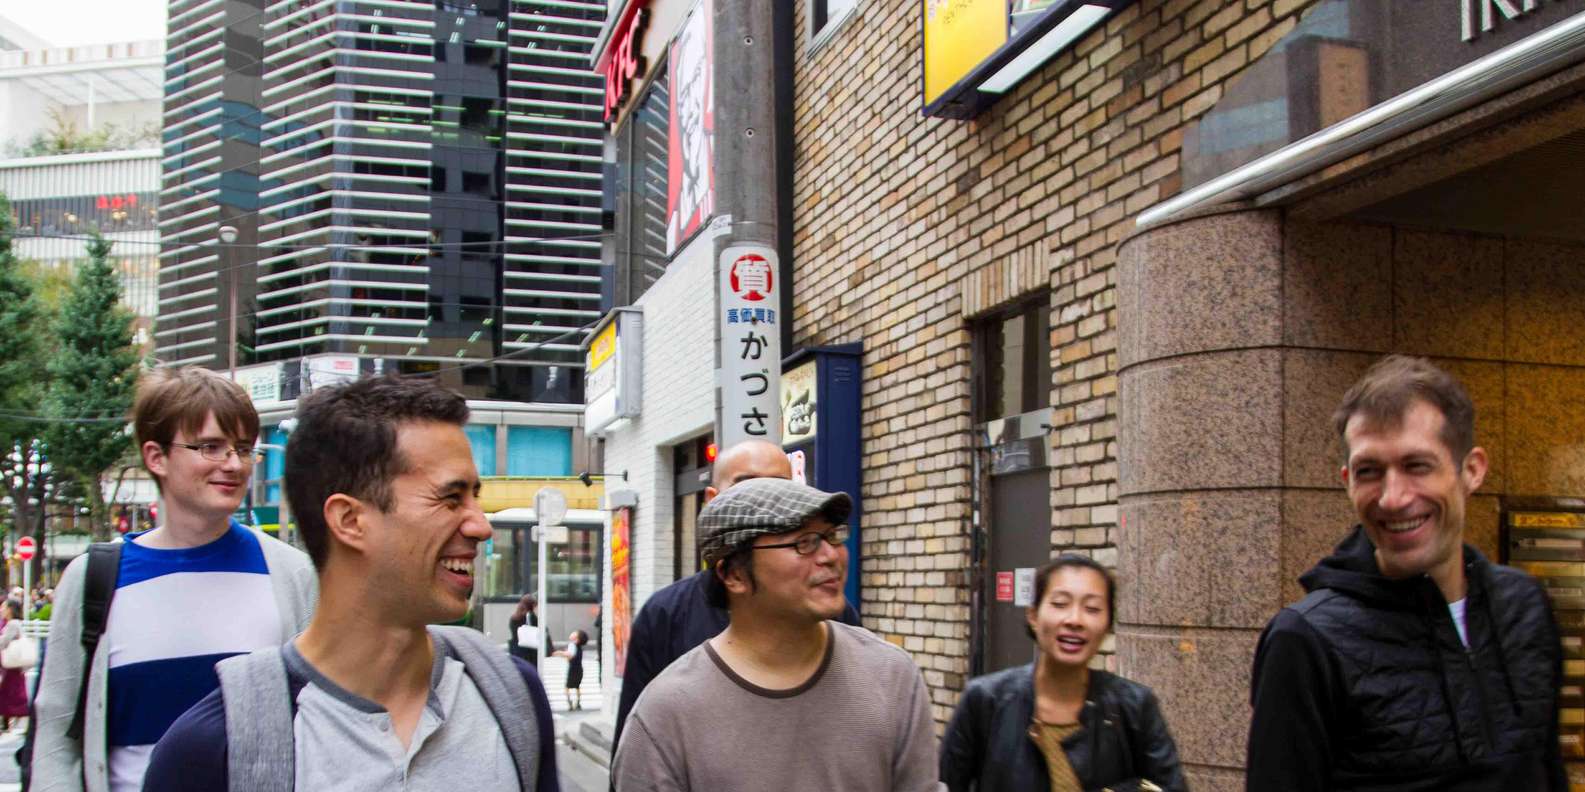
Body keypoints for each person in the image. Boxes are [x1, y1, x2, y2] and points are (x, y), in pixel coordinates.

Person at [143, 375, 558, 791]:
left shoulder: (512, 698)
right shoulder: (210, 752)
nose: (480, 525)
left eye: (475, 497)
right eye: (451, 498)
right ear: (349, 520)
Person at [1246, 355, 1565, 790]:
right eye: (1369, 472)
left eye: (1417, 466)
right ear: (1346, 481)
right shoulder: (1305, 641)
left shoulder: (1524, 607)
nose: (1393, 498)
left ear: (1471, 470)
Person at [31, 366, 317, 792]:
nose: (233, 464)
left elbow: (318, 719)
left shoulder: (291, 574)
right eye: (211, 447)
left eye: (243, 448)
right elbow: (56, 732)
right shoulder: (93, 578)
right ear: (156, 456)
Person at [612, 477, 939, 791]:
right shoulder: (666, 715)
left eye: (833, 536)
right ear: (734, 574)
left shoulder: (891, 676)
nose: (831, 556)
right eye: (804, 542)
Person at [611, 439, 862, 755]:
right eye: (748, 484)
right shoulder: (665, 615)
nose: (766, 497)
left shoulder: (840, 623)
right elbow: (635, 750)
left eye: (780, 485)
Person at [941, 556, 1186, 791]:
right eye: (1060, 604)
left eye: (1092, 608)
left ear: (1109, 624)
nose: (1075, 620)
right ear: (1033, 616)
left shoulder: (1134, 705)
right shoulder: (985, 700)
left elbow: (1171, 787)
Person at [0, 599, 29, 732]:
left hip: (11, 664)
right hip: (12, 665)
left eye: (4, 607)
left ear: (10, 609)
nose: (1, 610)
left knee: (10, 692)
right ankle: (8, 720)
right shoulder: (13, 623)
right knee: (10, 691)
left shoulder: (12, 624)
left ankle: (15, 717)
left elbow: (4, 641)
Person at [551, 630, 588, 710]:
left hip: (573, 670)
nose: (572, 633)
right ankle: (578, 703)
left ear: (577, 639)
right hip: (579, 669)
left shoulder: (572, 645)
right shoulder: (579, 647)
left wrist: (559, 653)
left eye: (575, 633)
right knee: (577, 686)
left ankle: (569, 703)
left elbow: (570, 655)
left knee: (567, 687)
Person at [508, 593, 539, 665]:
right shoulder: (530, 617)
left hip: (516, 650)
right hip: (528, 652)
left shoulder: (514, 617)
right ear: (531, 606)